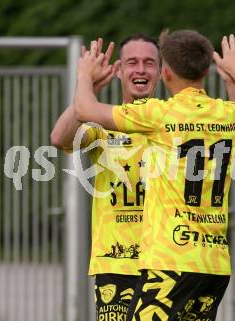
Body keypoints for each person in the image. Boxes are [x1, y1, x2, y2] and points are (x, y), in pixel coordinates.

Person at [73, 29, 235, 321]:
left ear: (165, 72)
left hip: (171, 260)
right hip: (213, 264)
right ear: (208, 70)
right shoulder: (226, 114)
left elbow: (84, 108)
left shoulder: (160, 113)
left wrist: (84, 75)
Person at [50, 33, 161, 321]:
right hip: (116, 264)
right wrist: (86, 86)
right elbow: (60, 138)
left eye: (149, 63)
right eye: (132, 62)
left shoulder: (172, 122)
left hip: (165, 262)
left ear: (161, 72)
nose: (140, 70)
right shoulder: (103, 125)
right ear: (119, 71)